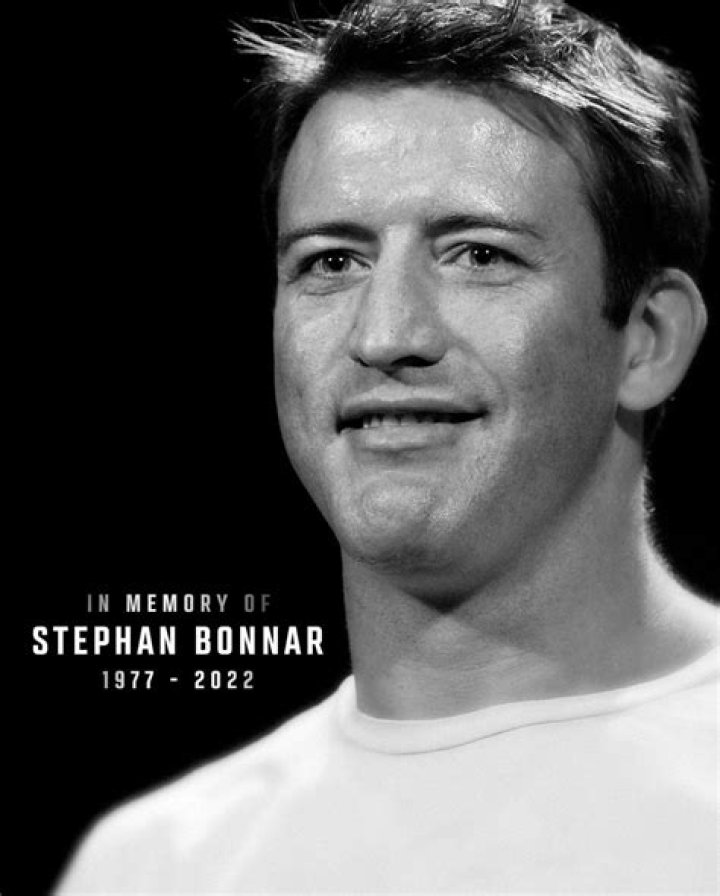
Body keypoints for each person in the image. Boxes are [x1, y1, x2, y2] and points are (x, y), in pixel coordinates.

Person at [57, 0, 719, 892]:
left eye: (478, 254)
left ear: (648, 340)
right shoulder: (154, 869)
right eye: (332, 261)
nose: (386, 335)